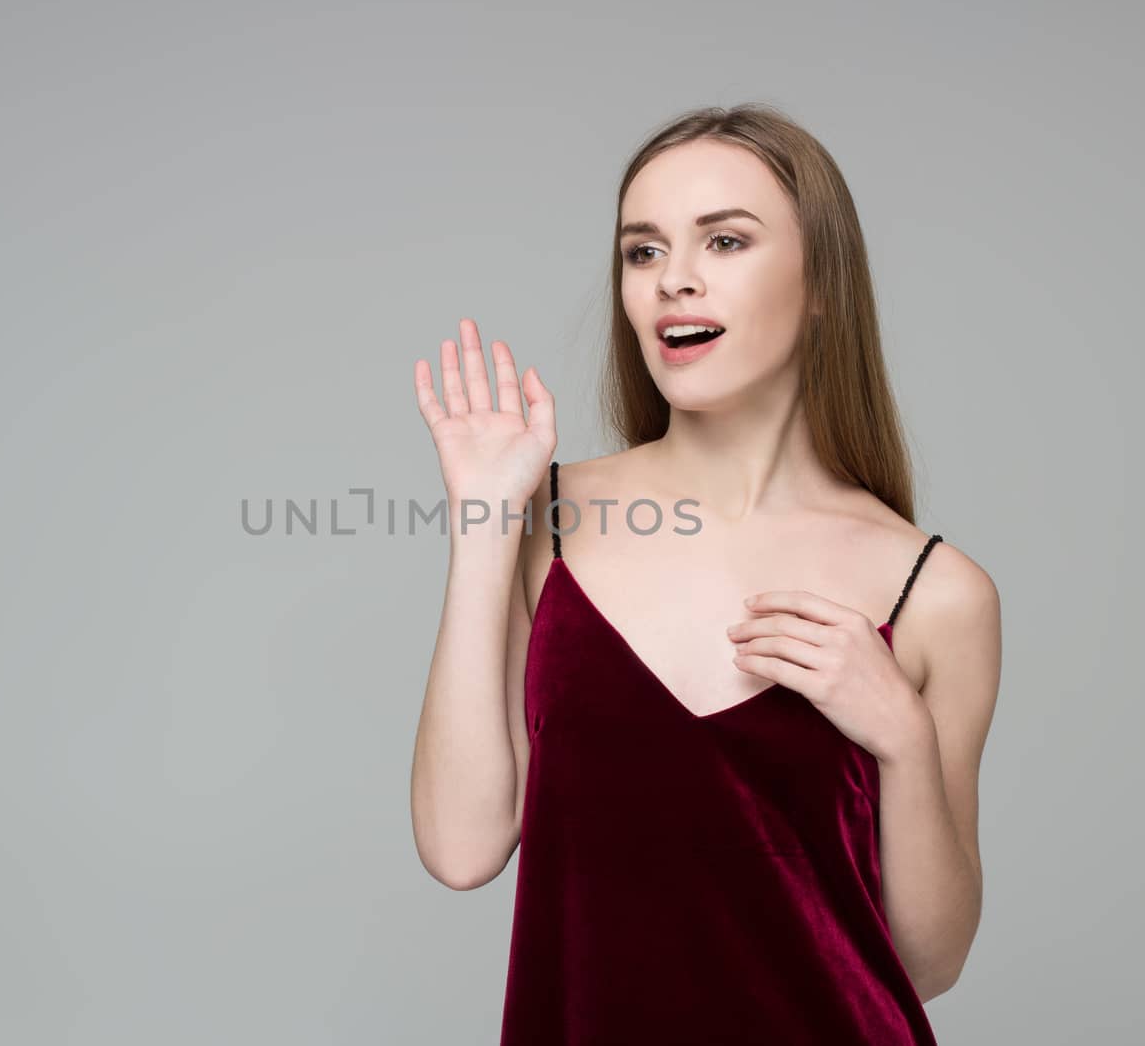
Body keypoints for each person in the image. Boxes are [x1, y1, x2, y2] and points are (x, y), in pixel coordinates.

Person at [409, 103, 1001, 1044]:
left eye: (724, 241)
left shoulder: (936, 591)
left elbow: (926, 965)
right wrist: (485, 521)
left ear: (821, 285)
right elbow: (460, 845)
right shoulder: (544, 525)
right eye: (642, 252)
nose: (673, 280)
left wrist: (902, 738)